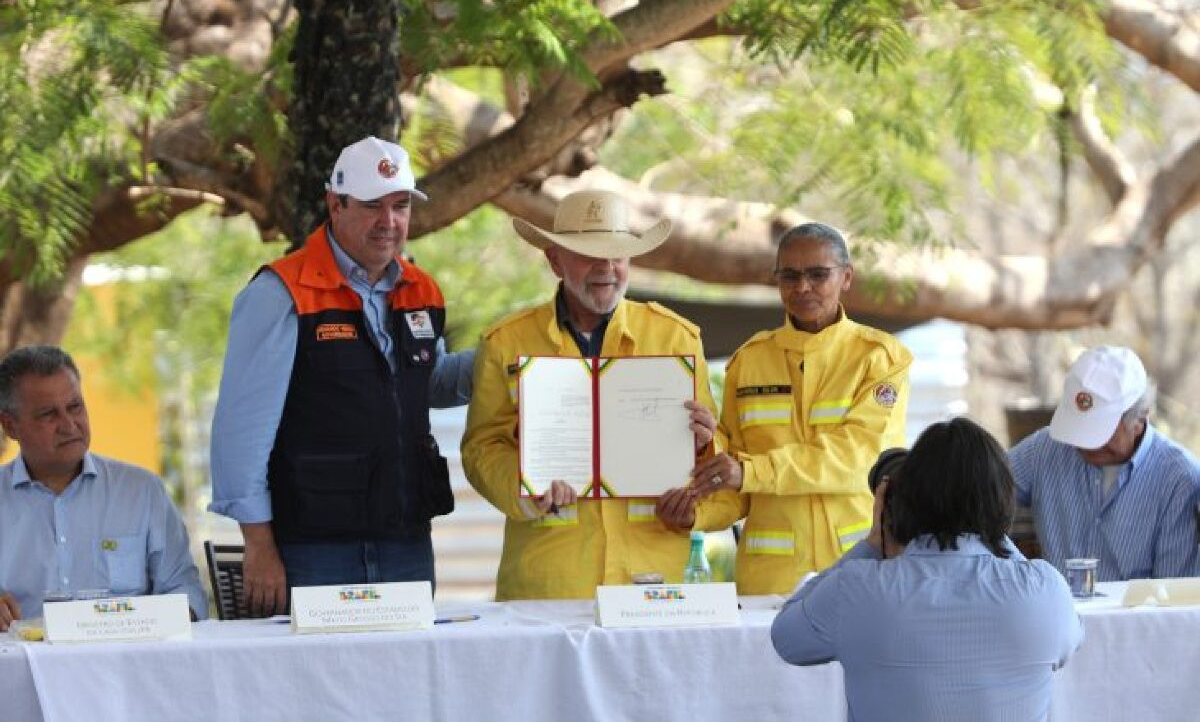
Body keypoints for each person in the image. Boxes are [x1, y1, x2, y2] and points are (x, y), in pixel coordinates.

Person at [209, 136, 473, 616]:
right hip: (312, 547)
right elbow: (240, 432)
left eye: (400, 206)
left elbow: (426, 383)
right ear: (335, 204)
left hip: (406, 540)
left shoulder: (422, 289)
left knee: (405, 680)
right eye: (373, 205)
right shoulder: (280, 291)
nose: (388, 222)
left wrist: (509, 359)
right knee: (311, 686)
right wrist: (259, 545)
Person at [460, 189, 740, 599]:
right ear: (554, 259)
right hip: (547, 580)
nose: (607, 268)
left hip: (653, 576)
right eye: (589, 254)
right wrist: (528, 489)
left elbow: (714, 457)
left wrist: (703, 441)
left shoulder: (675, 336)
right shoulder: (506, 342)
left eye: (618, 255)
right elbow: (482, 448)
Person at [772, 417, 1083, 722]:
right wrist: (992, 532)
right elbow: (1071, 640)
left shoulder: (856, 589)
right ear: (1003, 500)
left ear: (903, 501)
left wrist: (872, 543)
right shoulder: (1045, 592)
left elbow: (787, 637)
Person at [679, 223, 912, 594]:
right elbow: (734, 481)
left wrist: (751, 470)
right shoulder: (749, 361)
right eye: (789, 276)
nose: (802, 287)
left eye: (818, 275)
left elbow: (859, 457)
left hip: (861, 569)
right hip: (768, 582)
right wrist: (697, 512)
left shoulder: (880, 358)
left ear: (846, 277)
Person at [0, 346, 207, 629]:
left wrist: (157, 621)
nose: (69, 424)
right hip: (21, 665)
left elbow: (186, 592)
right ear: (11, 426)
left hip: (126, 663)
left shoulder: (141, 492)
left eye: (75, 407)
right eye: (49, 414)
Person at [1009, 345, 1200, 580]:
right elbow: (977, 492)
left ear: (1140, 417)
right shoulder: (1045, 448)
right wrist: (1005, 556)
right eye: (1078, 428)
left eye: (1099, 432)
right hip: (1055, 613)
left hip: (1138, 617)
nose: (1086, 444)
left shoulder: (1179, 478)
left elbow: (1170, 597)